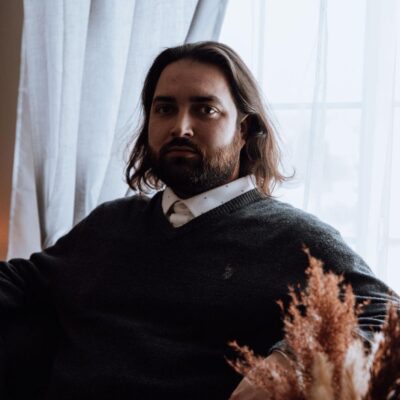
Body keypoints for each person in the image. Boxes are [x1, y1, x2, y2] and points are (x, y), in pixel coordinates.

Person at [0, 41, 397, 400]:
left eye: (205, 109)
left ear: (244, 130)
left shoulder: (295, 238)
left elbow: (385, 314)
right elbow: (22, 282)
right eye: (164, 108)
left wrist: (289, 362)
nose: (180, 127)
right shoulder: (111, 223)